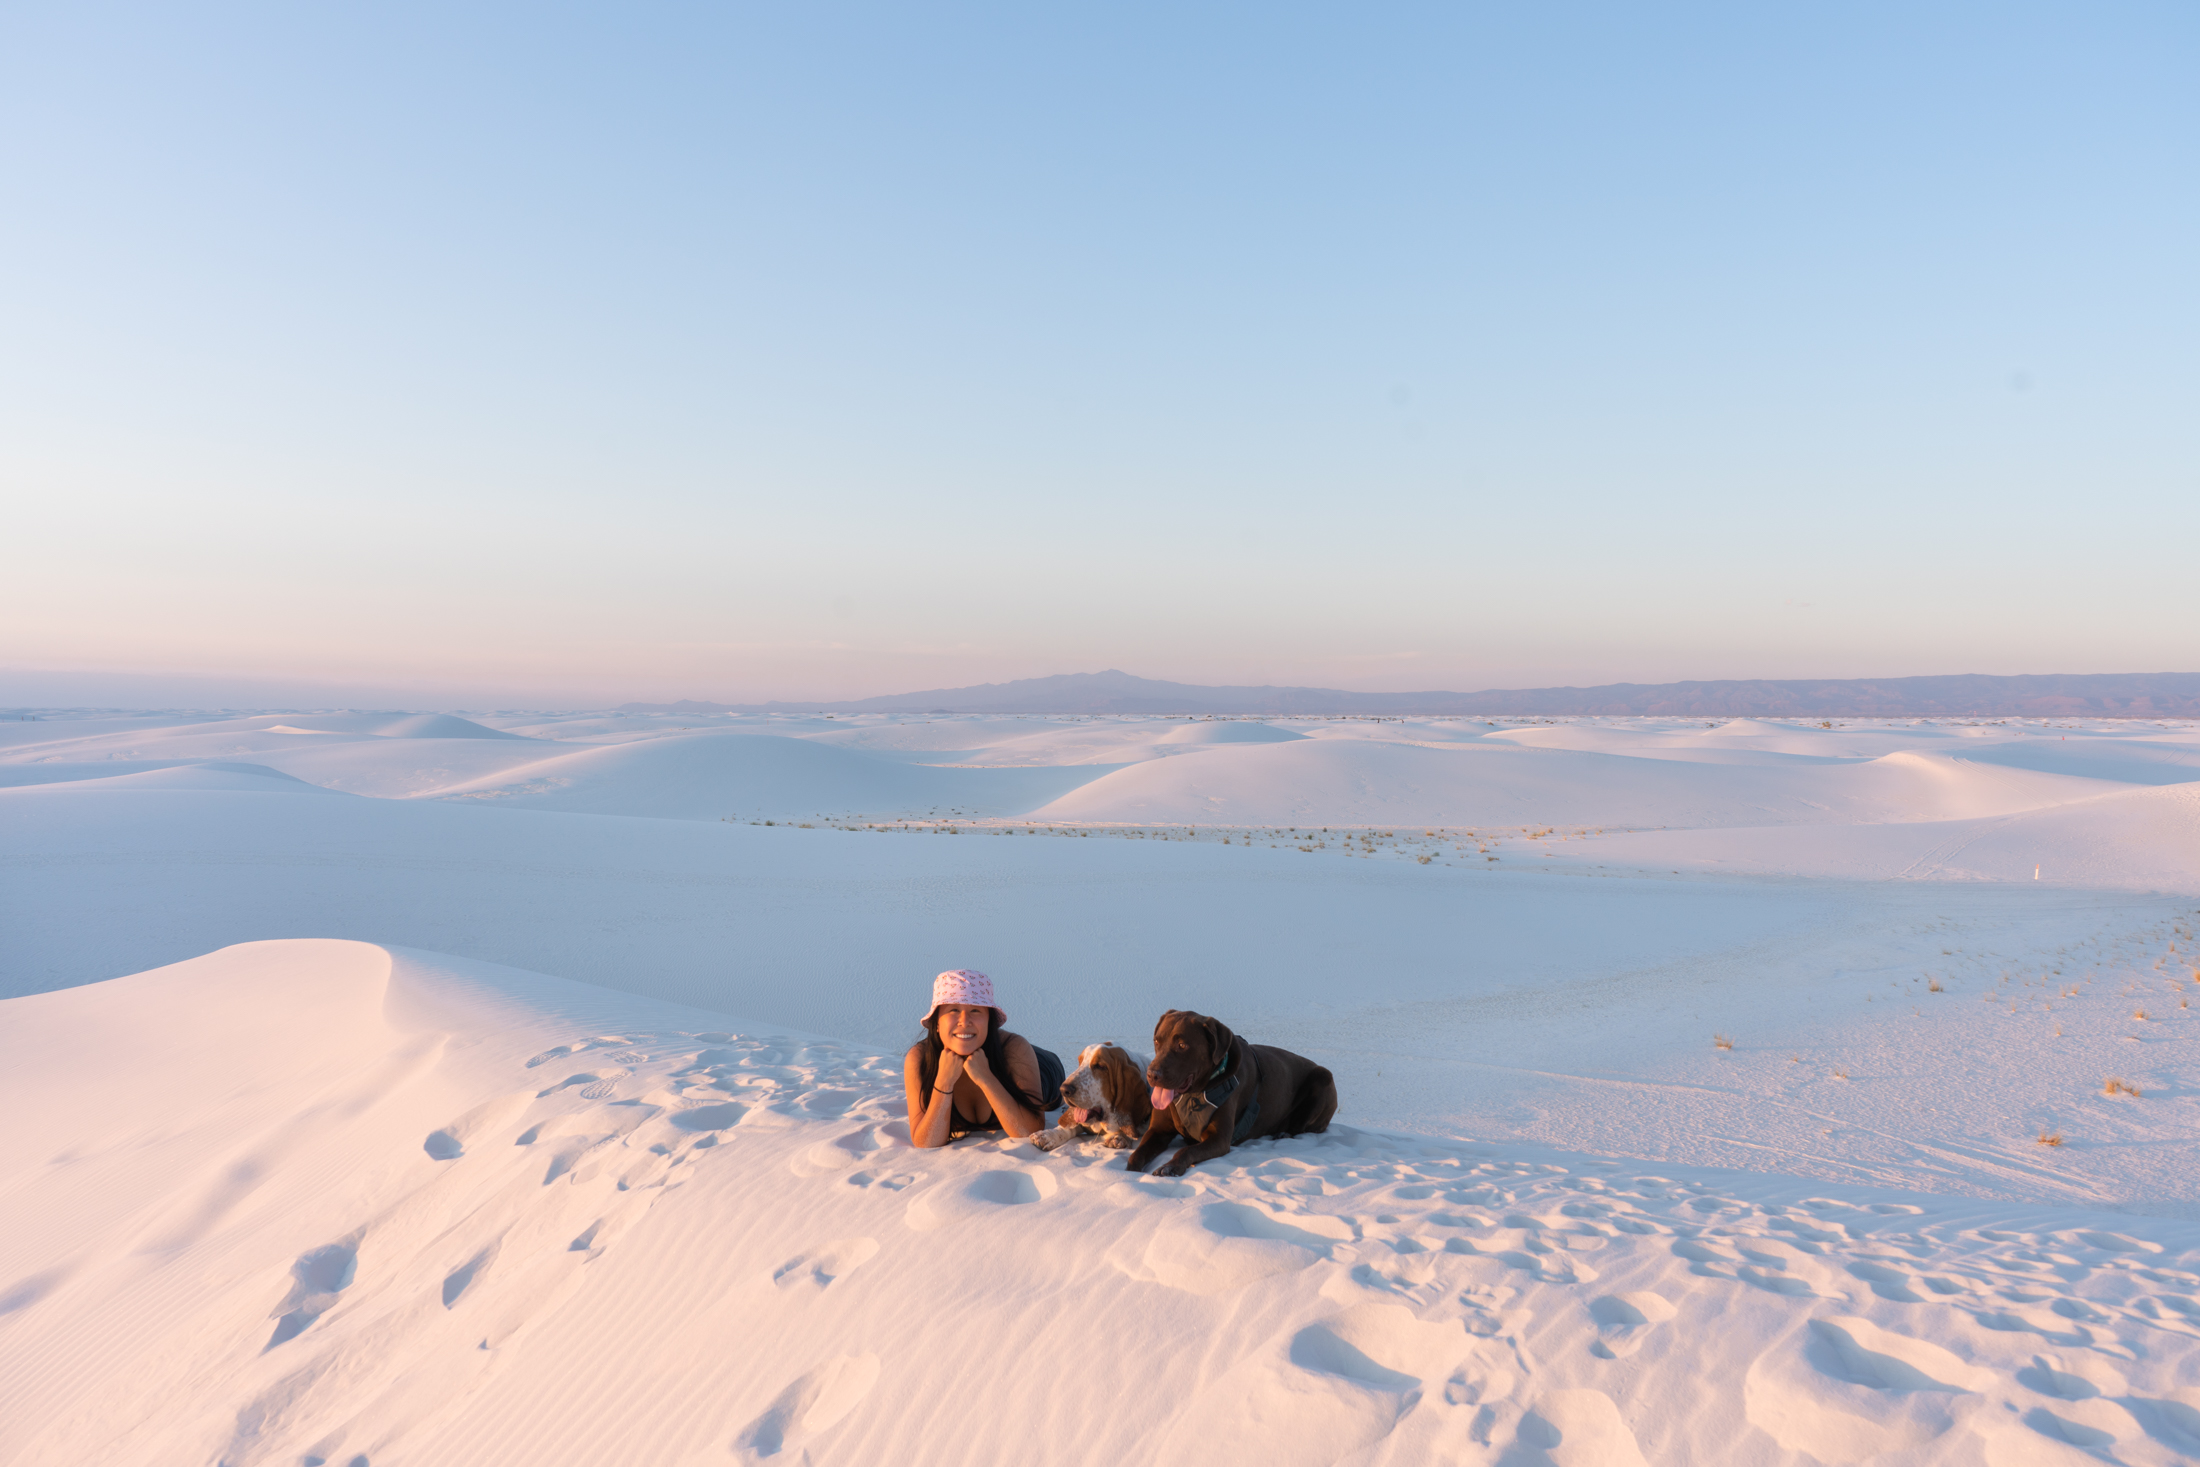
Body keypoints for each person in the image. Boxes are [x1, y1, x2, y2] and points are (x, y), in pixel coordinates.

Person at [904, 970, 1064, 1148]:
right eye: (953, 1010)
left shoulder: (1015, 1048)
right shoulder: (919, 1058)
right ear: (937, 1023)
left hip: (1043, 1068)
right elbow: (924, 1141)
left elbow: (1027, 1130)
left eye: (975, 1010)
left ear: (989, 1021)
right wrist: (944, 1082)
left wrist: (986, 1078)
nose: (964, 1021)